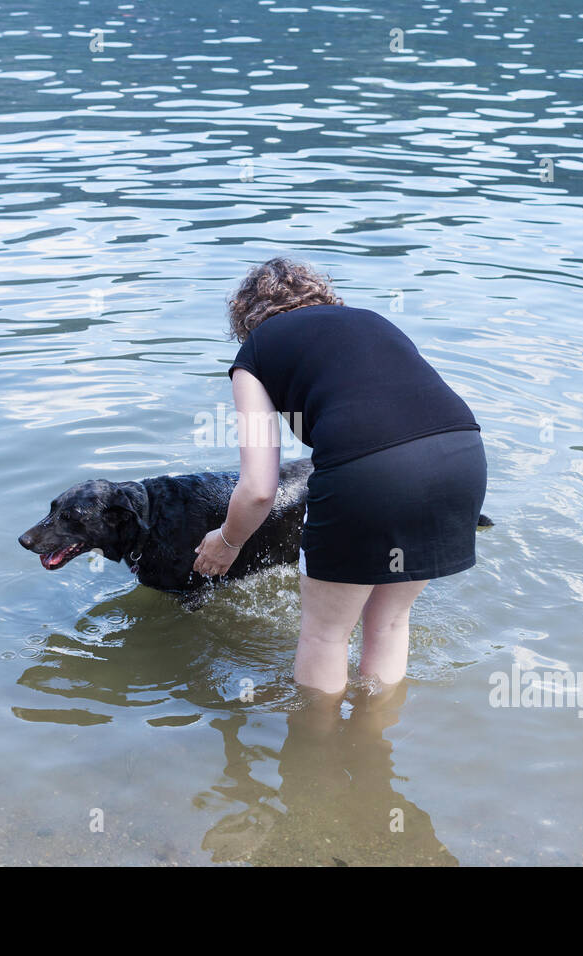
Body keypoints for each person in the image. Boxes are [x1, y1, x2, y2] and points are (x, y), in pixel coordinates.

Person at [192, 257, 487, 695]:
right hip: (462, 457)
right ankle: (375, 745)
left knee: (325, 635)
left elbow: (258, 489)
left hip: (370, 473)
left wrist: (228, 542)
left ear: (246, 318)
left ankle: (317, 756)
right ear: (322, 295)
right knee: (389, 623)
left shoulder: (255, 351)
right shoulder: (371, 320)